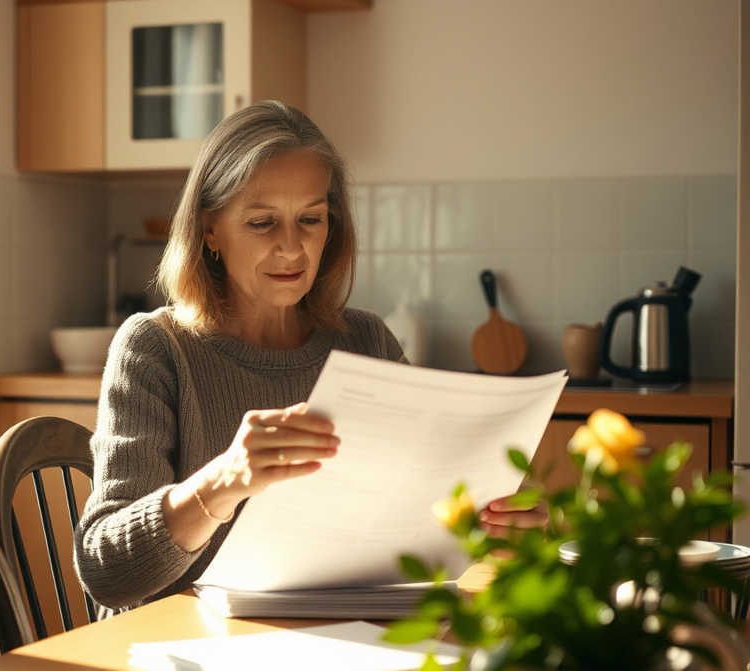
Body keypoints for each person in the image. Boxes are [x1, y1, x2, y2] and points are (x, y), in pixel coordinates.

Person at [74, 100, 543, 616]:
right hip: (180, 649)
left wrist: (492, 518)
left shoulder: (366, 341)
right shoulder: (155, 348)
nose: (292, 248)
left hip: (343, 637)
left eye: (310, 219)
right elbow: (107, 573)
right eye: (262, 223)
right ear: (210, 229)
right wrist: (225, 479)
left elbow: (423, 514)